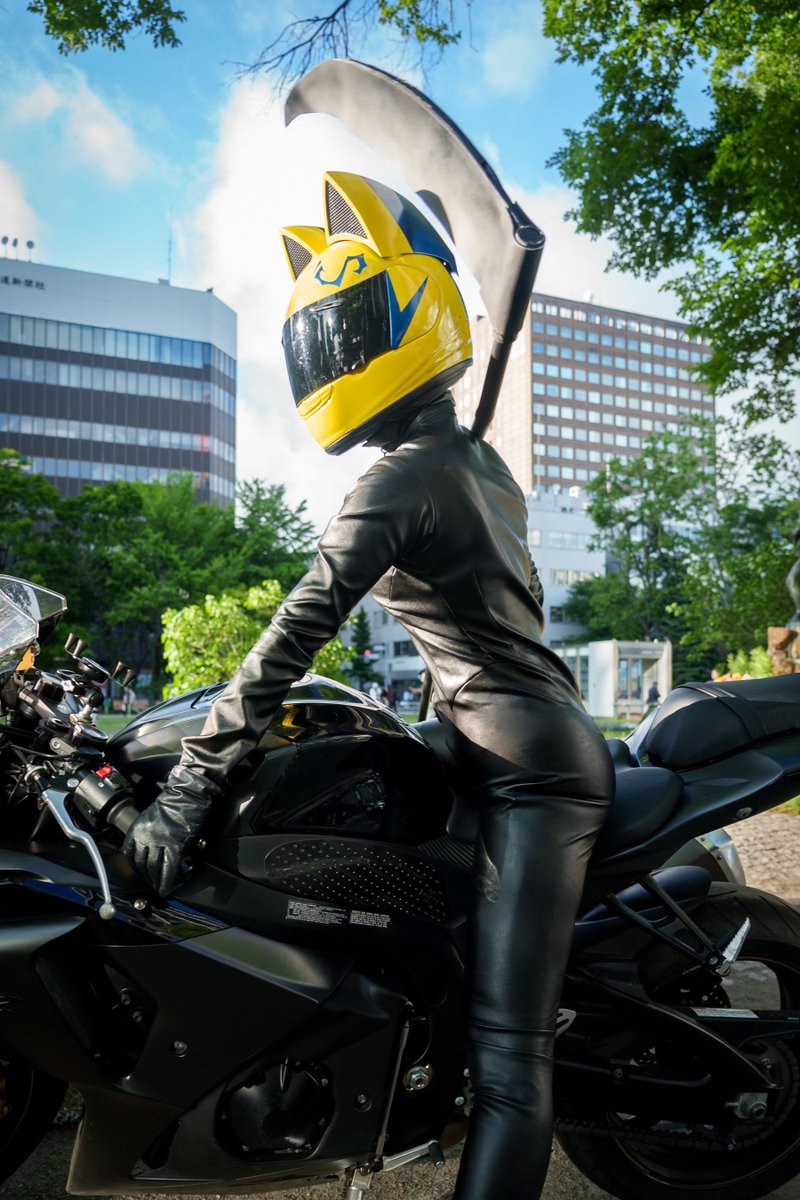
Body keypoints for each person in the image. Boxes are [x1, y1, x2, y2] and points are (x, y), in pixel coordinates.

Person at [123, 171, 614, 1200]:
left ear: (407, 321)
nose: (330, 361)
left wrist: (190, 785)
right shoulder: (471, 461)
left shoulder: (402, 481)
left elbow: (293, 631)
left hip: (531, 775)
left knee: (508, 1064)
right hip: (490, 737)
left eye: (345, 336)